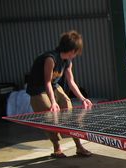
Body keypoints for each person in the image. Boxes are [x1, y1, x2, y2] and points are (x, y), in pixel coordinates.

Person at [26, 30, 92, 158]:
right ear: (72, 50)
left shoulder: (68, 61)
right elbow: (46, 82)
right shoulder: (50, 59)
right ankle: (57, 148)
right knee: (49, 115)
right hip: (38, 90)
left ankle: (79, 146)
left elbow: (71, 81)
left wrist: (83, 99)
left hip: (54, 86)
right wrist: (53, 102)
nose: (77, 54)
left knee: (68, 107)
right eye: (76, 51)